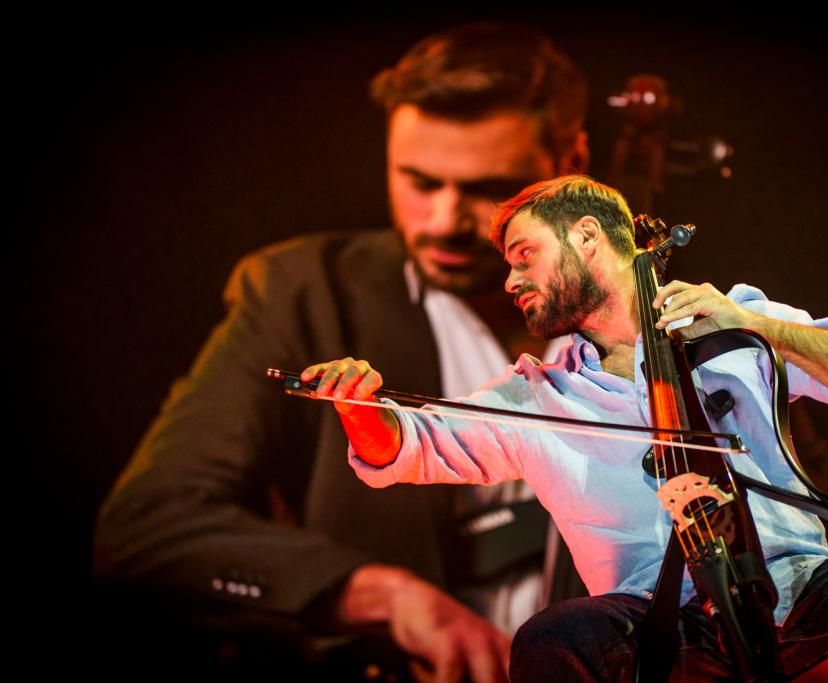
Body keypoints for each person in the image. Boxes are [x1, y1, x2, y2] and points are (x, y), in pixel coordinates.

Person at [307, 175, 828, 681]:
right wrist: (361, 407)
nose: (510, 279)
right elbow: (409, 445)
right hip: (654, 624)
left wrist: (760, 329)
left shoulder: (734, 320)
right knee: (551, 641)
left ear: (589, 237)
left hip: (800, 587)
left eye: (525, 254)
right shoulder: (537, 394)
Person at [93, 23, 588, 679]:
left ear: (571, 163)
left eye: (487, 188)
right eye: (419, 181)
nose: (442, 220)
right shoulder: (303, 295)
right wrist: (381, 596)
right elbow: (146, 527)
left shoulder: (647, 328)